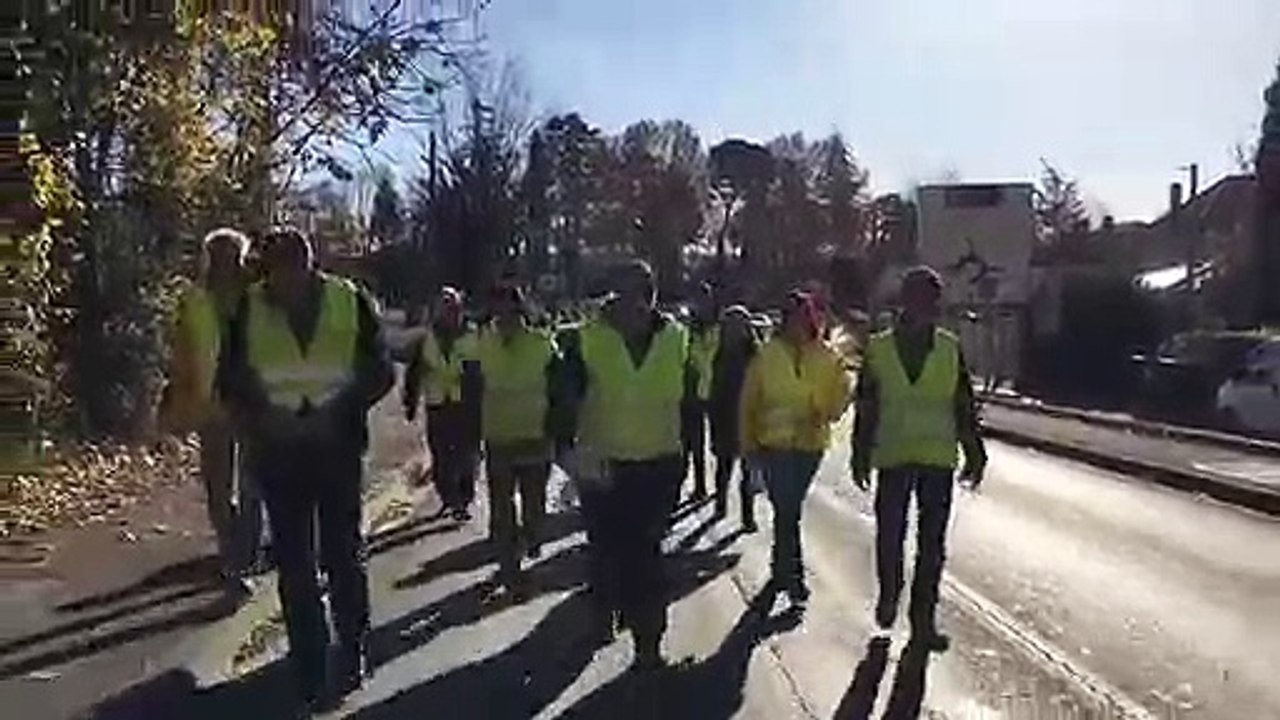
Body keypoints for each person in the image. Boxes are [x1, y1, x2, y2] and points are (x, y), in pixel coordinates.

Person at [219, 227, 393, 709]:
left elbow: (379, 370)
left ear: (305, 266)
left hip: (335, 447)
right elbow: (230, 380)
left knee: (342, 553)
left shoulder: (349, 301)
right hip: (279, 452)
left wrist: (337, 410)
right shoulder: (249, 309)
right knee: (294, 563)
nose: (276, 283)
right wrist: (263, 417)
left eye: (282, 271)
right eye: (269, 273)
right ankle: (309, 661)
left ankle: (353, 648)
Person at [561, 259, 692, 669]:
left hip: (659, 465)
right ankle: (602, 616)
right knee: (605, 550)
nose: (637, 302)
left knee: (646, 554)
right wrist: (564, 449)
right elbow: (563, 400)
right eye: (628, 291)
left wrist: (687, 455)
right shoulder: (586, 340)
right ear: (614, 295)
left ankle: (648, 642)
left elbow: (689, 401)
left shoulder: (676, 338)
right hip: (603, 465)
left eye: (645, 292)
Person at [850, 265, 987, 653]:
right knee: (890, 535)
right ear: (906, 300)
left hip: (937, 458)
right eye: (919, 296)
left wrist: (974, 451)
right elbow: (867, 406)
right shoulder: (879, 348)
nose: (927, 304)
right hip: (893, 454)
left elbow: (963, 404)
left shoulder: (948, 347)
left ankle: (923, 621)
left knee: (932, 545)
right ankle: (890, 594)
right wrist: (861, 453)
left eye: (932, 298)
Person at [161, 228, 263, 602]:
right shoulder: (194, 300)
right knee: (218, 490)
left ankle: (244, 559)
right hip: (211, 406)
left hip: (253, 406)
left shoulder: (258, 299)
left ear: (241, 257)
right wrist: (176, 395)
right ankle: (232, 559)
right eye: (216, 253)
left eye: (230, 254)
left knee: (253, 489)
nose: (223, 261)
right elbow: (183, 352)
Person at [740, 290, 850, 609]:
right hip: (772, 445)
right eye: (790, 317)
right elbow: (749, 402)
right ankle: (794, 577)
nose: (797, 323)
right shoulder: (767, 354)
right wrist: (748, 446)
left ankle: (780, 570)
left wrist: (821, 407)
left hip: (808, 446)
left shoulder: (827, 356)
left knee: (788, 510)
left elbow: (840, 398)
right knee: (787, 509)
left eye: (803, 316)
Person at [474, 283, 562, 595]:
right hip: (498, 434)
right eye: (497, 309)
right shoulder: (483, 341)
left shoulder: (541, 342)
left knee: (534, 502)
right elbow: (473, 382)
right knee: (501, 505)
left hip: (534, 433)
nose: (502, 315)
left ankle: (533, 534)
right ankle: (508, 563)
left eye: (508, 308)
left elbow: (558, 386)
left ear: (518, 308)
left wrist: (558, 426)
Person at [404, 287, 481, 521]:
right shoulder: (426, 338)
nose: (449, 314)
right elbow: (414, 372)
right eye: (445, 309)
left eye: (454, 309)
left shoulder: (474, 335)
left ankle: (464, 499)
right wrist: (410, 401)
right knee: (441, 456)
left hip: (466, 404)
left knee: (468, 455)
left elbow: (484, 370)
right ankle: (450, 498)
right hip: (438, 403)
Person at [707, 304, 759, 530]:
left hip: (749, 418)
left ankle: (747, 516)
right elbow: (712, 386)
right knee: (724, 466)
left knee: (749, 472)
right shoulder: (717, 353)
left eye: (740, 325)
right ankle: (720, 505)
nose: (736, 330)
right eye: (731, 325)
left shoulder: (756, 355)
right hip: (724, 415)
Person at [683, 284, 718, 502]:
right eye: (698, 300)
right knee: (691, 443)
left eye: (705, 299)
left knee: (719, 445)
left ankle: (713, 488)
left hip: (715, 391)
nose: (701, 304)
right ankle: (697, 485)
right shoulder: (687, 329)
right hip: (691, 393)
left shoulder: (719, 328)